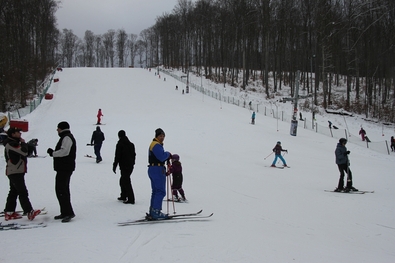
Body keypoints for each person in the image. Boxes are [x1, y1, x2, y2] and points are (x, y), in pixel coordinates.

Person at [3, 127, 41, 221]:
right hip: (15, 171)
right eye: (18, 132)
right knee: (22, 191)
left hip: (15, 170)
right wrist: (23, 143)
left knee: (14, 191)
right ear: (13, 134)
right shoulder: (11, 144)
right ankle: (29, 211)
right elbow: (24, 152)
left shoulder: (13, 142)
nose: (20, 134)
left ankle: (9, 211)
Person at [47, 121, 76, 223]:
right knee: (60, 189)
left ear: (61, 128)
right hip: (64, 167)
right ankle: (65, 211)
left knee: (62, 190)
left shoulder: (67, 137)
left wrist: (53, 153)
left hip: (65, 168)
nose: (57, 130)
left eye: (58, 128)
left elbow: (65, 151)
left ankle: (68, 212)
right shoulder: (65, 137)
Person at [147, 128, 171, 220]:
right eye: (160, 136)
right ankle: (156, 211)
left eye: (163, 136)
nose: (162, 138)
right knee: (160, 191)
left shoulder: (154, 144)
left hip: (152, 168)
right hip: (157, 169)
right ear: (156, 136)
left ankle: (153, 210)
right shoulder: (156, 145)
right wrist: (168, 154)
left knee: (156, 191)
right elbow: (161, 157)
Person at [112, 130, 136, 204]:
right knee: (123, 180)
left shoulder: (120, 144)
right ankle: (123, 195)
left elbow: (117, 156)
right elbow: (134, 155)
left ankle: (131, 199)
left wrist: (114, 165)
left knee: (126, 181)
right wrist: (132, 163)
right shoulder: (131, 144)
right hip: (130, 166)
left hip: (124, 166)